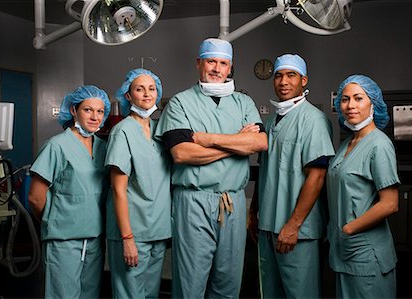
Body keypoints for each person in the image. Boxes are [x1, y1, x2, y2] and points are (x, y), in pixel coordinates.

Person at [154, 38, 268, 298]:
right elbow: (181, 153)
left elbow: (259, 142)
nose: (217, 68)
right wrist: (237, 142)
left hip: (234, 202)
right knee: (191, 282)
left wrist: (205, 138)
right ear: (199, 64)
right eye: (211, 61)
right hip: (193, 201)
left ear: (230, 68)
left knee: (228, 281)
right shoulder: (180, 103)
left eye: (223, 63)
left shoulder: (243, 103)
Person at [249, 53, 335, 298]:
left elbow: (316, 178)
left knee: (300, 293)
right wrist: (254, 212)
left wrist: (293, 225)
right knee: (269, 291)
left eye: (291, 75)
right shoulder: (269, 122)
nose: (283, 81)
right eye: (278, 76)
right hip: (267, 224)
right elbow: (264, 171)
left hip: (297, 230)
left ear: (303, 80)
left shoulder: (314, 120)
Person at [28, 85, 111, 299]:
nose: (95, 117)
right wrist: (54, 222)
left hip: (95, 239)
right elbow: (35, 198)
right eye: (88, 110)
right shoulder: (56, 146)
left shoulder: (104, 147)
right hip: (63, 241)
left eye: (100, 111)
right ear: (74, 110)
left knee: (90, 295)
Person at [326, 74, 399, 298]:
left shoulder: (379, 145)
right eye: (345, 100)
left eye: (358, 98)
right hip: (344, 251)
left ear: (373, 103)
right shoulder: (347, 144)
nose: (350, 106)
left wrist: (349, 229)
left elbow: (390, 204)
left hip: (366, 253)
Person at [104, 68, 171, 299]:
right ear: (128, 96)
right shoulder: (122, 131)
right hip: (132, 230)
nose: (147, 94)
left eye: (151, 89)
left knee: (150, 294)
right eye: (139, 89)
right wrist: (127, 239)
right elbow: (118, 190)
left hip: (157, 230)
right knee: (129, 294)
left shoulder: (159, 130)